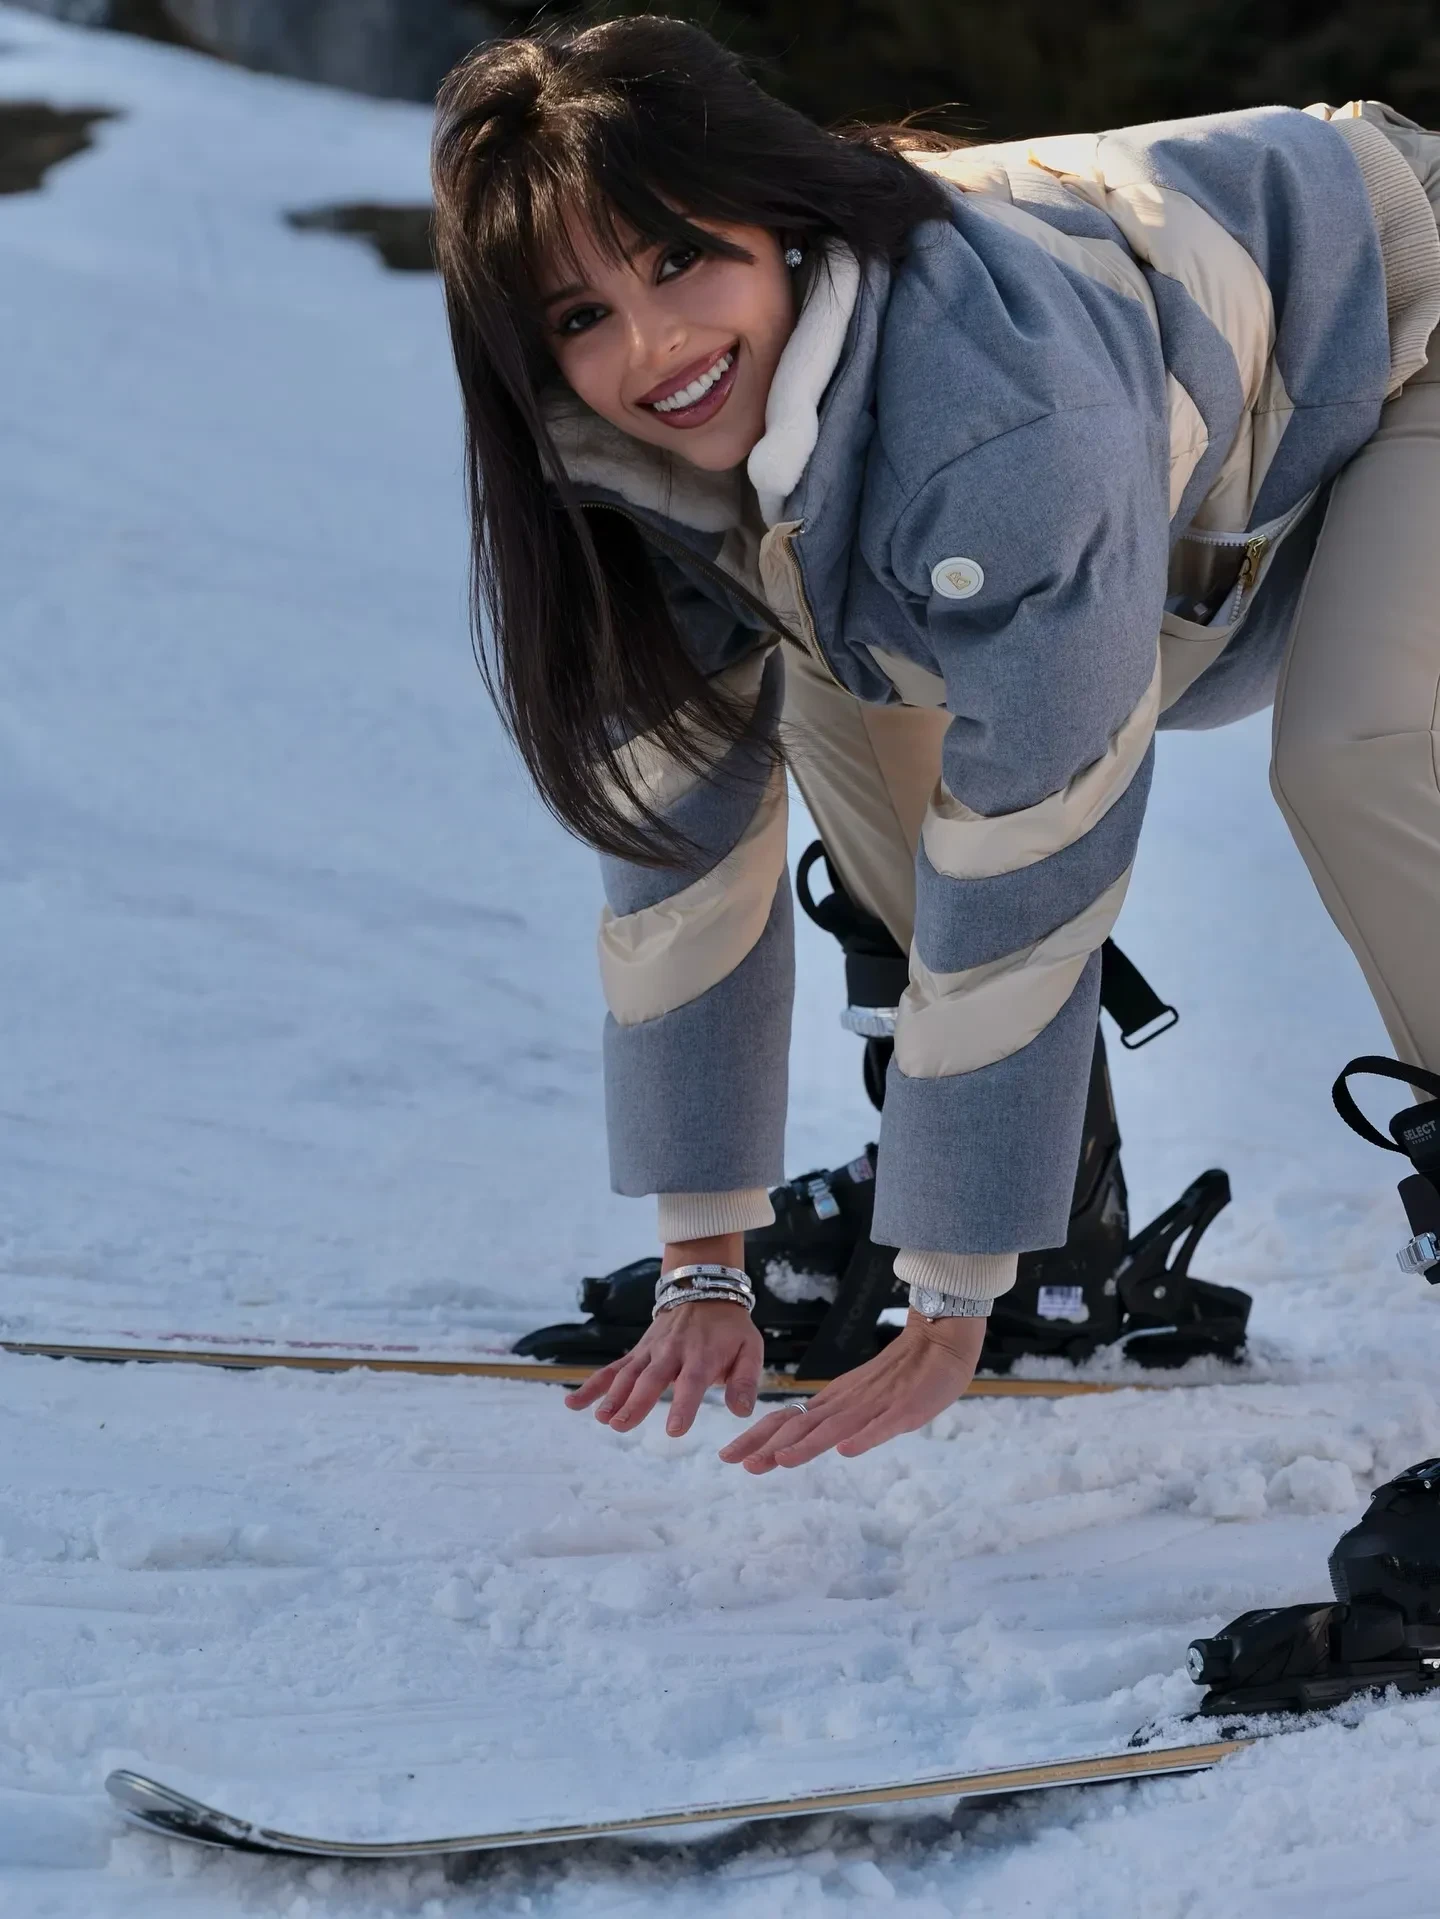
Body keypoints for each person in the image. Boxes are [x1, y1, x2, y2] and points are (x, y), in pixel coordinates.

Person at [430, 17, 1440, 1472]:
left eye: (680, 258)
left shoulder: (998, 423)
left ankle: (993, 1203)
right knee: (831, 652)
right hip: (1207, 476)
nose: (653, 348)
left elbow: (1036, 835)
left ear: (779, 223)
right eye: (581, 316)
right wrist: (704, 1259)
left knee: (1361, 749)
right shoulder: (626, 474)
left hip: (1406, 322)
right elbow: (677, 855)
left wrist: (953, 1291)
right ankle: (1053, 1206)